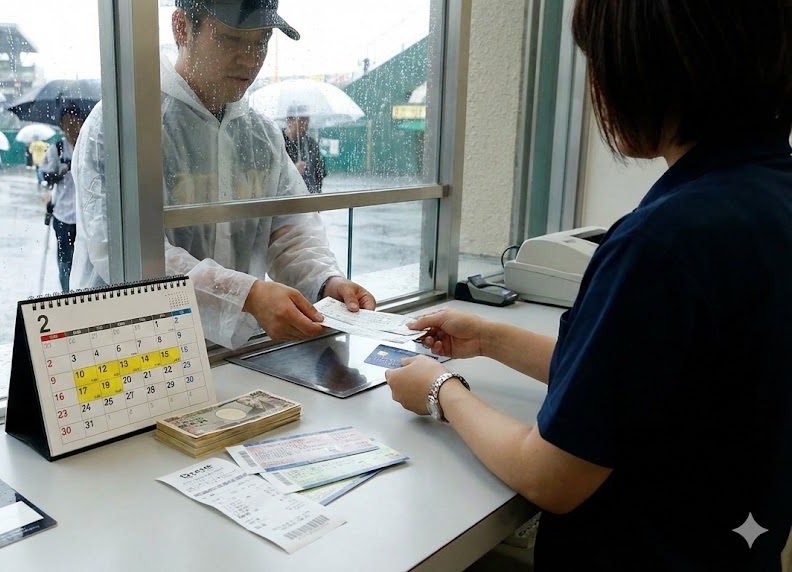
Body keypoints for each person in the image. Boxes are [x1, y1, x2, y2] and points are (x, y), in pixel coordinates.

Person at [385, 1, 792, 569]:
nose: (594, 88)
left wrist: (442, 391)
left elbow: (552, 476)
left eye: (598, 62)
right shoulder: (766, 192)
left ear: (654, 64)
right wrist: (490, 338)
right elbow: (646, 380)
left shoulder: (662, 243)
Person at [72, 0, 375, 349]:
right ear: (182, 28)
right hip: (132, 352)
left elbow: (290, 231)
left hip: (231, 354)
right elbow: (129, 255)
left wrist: (325, 282)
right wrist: (246, 296)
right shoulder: (121, 126)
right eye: (231, 39)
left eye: (261, 41)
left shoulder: (260, 135)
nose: (249, 59)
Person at [38, 102, 90, 292]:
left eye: (75, 122)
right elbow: (45, 174)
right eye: (66, 123)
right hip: (63, 215)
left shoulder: (89, 145)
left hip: (86, 215)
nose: (71, 127)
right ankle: (67, 295)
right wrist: (59, 173)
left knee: (86, 259)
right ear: (61, 125)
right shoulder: (57, 149)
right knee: (65, 259)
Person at [283, 104, 326, 194]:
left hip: (308, 196)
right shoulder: (279, 142)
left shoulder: (311, 144)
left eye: (307, 119)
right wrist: (294, 171)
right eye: (301, 120)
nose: (305, 123)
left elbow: (319, 173)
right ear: (289, 121)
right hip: (286, 198)